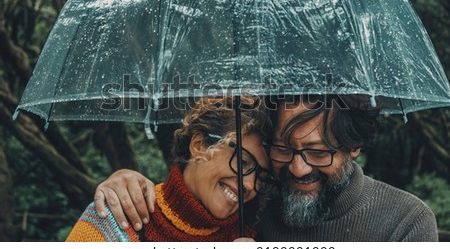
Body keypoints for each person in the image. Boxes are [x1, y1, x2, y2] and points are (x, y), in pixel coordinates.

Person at [93, 94, 439, 241]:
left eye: (318, 152)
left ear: (354, 147)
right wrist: (123, 182)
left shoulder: (405, 222)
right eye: (284, 149)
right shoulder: (250, 208)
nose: (299, 169)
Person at [66, 96, 275, 241]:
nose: (250, 185)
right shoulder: (118, 218)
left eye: (261, 177)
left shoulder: (252, 242)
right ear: (199, 145)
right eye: (243, 162)